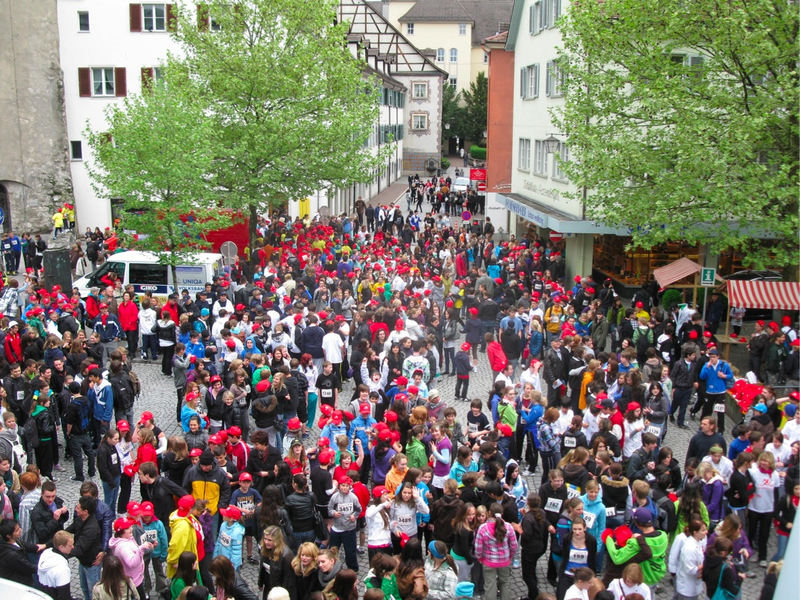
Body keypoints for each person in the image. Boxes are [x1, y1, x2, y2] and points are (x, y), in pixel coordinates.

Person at [474, 502, 518, 600]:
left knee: (490, 585)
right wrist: (510, 556)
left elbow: (478, 547)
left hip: (489, 561)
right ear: (502, 514)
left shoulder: (483, 528)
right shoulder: (508, 527)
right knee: (505, 582)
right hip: (504, 561)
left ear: (489, 513)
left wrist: (480, 558)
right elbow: (514, 545)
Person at [66, 495, 104, 600]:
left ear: (85, 511)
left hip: (91, 564)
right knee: (84, 588)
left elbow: (80, 548)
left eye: (78, 508)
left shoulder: (91, 528)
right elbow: (67, 532)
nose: (75, 509)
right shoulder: (80, 520)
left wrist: (62, 555)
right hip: (83, 561)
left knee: (93, 592)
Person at [109, 516, 155, 600]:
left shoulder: (127, 538)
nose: (131, 529)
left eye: (130, 526)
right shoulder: (123, 548)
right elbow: (132, 563)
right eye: (127, 528)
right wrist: (141, 549)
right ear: (121, 531)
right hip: (133, 581)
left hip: (134, 578)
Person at [0, 518, 44, 587]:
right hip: (19, 584)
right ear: (8, 536)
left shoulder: (14, 541)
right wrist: (45, 567)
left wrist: (46, 545)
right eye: (17, 530)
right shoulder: (11, 555)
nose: (20, 530)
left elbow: (29, 546)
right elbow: (29, 568)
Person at [258, 526, 296, 600]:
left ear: (276, 540)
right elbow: (263, 568)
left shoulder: (286, 555)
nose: (266, 542)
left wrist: (281, 594)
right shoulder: (265, 549)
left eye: (269, 540)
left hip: (278, 590)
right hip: (268, 585)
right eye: (265, 539)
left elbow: (287, 579)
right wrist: (261, 582)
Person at [38, 530, 74, 600]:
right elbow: (64, 597)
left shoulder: (45, 555)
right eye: (70, 545)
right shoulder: (62, 569)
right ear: (61, 547)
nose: (73, 547)